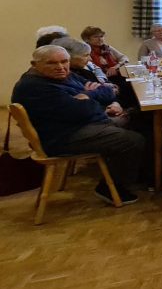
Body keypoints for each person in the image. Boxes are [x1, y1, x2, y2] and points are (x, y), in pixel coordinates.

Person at [12, 45, 144, 204]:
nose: (60, 67)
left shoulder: (66, 75)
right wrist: (92, 98)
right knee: (132, 139)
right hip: (62, 137)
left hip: (78, 124)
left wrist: (89, 96)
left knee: (139, 119)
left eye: (64, 61)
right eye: (52, 63)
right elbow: (80, 111)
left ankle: (142, 173)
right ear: (34, 64)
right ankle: (110, 188)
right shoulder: (34, 87)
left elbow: (106, 92)